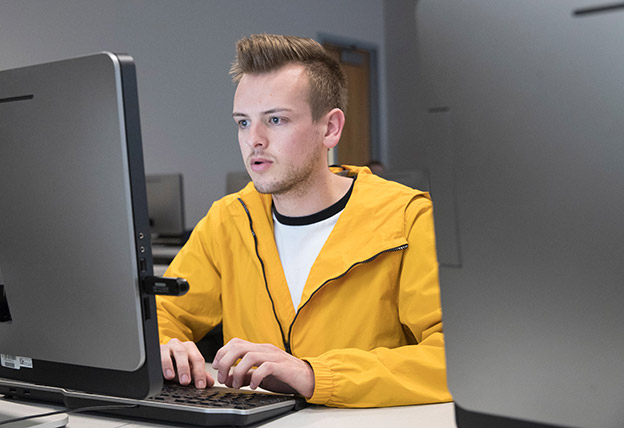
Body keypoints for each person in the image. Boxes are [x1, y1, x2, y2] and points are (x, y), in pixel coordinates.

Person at [155, 33, 451, 408]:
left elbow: (454, 356)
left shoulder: (407, 219)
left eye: (275, 120)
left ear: (330, 129)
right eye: (243, 123)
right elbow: (161, 314)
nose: (254, 140)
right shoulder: (228, 220)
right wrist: (166, 345)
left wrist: (314, 375)